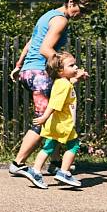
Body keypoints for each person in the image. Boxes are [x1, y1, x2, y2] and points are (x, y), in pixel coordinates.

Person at [8, 0, 101, 186]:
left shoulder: (48, 16)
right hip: (40, 72)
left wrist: (19, 65)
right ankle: (18, 163)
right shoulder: (61, 20)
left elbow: (31, 42)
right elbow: (44, 49)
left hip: (29, 71)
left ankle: (55, 162)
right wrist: (70, 70)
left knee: (56, 118)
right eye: (82, 10)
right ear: (71, 2)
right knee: (44, 120)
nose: (82, 15)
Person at [22, 52, 86, 189]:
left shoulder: (61, 82)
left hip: (55, 123)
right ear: (60, 70)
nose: (76, 67)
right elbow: (55, 104)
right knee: (74, 146)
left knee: (49, 147)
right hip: (62, 124)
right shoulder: (64, 85)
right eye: (72, 65)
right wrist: (44, 117)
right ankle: (63, 172)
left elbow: (66, 87)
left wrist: (77, 78)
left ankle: (35, 171)